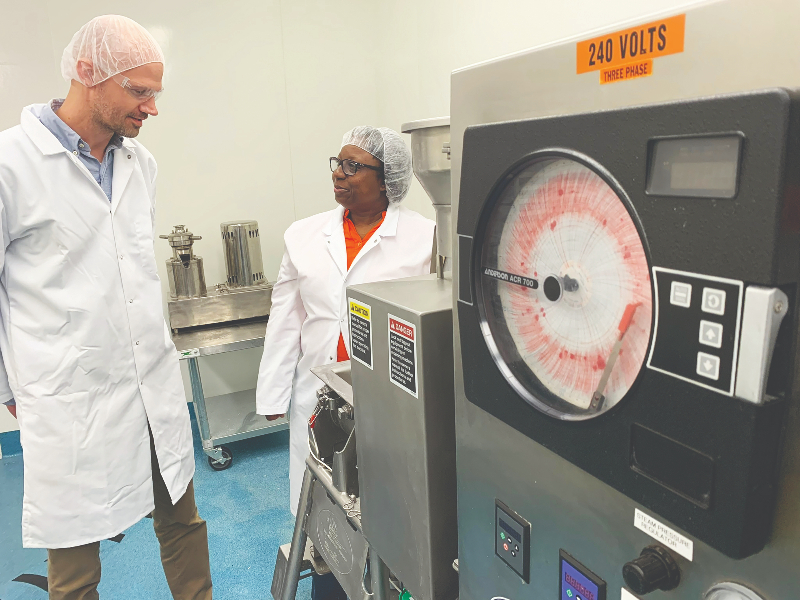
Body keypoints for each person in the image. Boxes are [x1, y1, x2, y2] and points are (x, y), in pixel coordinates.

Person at [0, 15, 212, 600]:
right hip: (70, 396)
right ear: (87, 75)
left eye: (155, 93)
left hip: (150, 388)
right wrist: (9, 386)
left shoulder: (140, 166)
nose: (151, 108)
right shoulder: (11, 165)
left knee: (183, 524)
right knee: (73, 566)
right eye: (139, 91)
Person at [256, 126, 434, 598]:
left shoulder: (425, 239)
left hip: (388, 400)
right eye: (337, 163)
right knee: (323, 510)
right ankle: (329, 583)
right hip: (317, 396)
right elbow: (285, 317)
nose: (339, 173)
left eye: (353, 167)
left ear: (388, 179)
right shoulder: (304, 235)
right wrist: (272, 392)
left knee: (387, 511)